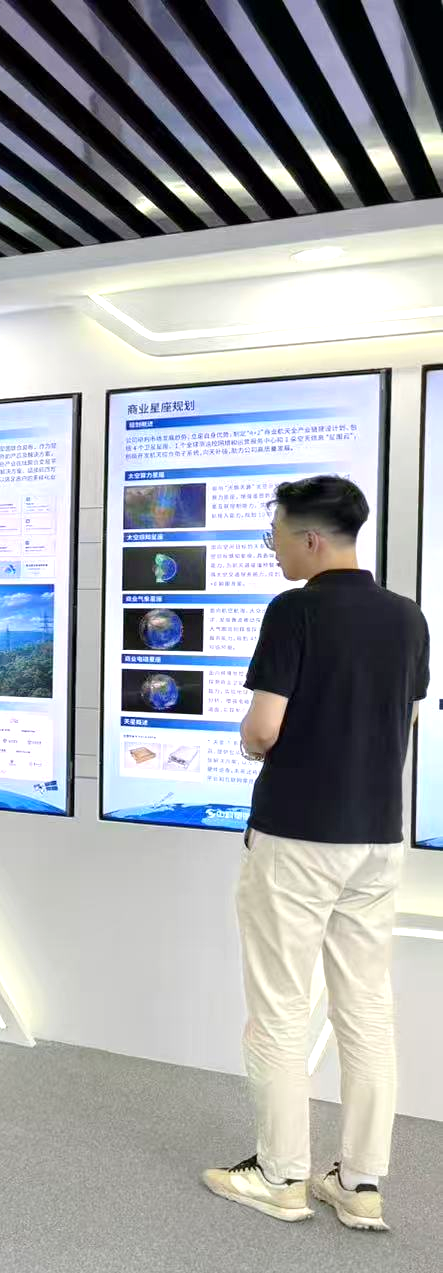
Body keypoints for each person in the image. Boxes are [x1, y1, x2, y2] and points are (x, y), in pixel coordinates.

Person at [203, 476, 428, 1232]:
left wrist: (248, 742)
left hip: (297, 837)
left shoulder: (294, 610)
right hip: (377, 838)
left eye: (274, 536)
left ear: (310, 538)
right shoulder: (407, 616)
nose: (272, 550)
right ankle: (359, 1184)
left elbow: (263, 728)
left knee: (278, 1009)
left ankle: (281, 1177)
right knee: (366, 1009)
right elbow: (399, 715)